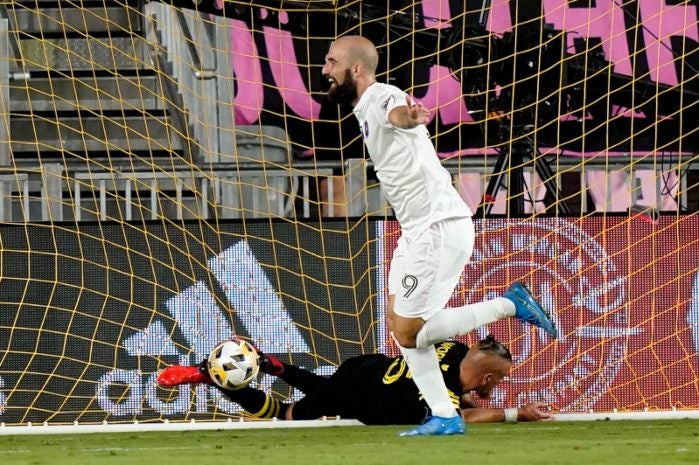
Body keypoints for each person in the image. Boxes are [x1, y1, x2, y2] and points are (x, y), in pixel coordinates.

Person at [319, 34, 558, 436]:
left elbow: (397, 113)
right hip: (416, 231)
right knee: (403, 332)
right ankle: (445, 416)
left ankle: (508, 305)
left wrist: (410, 117)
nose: (324, 69)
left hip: (438, 228)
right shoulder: (364, 106)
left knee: (410, 331)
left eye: (330, 61)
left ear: (355, 68)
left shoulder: (381, 95)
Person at [157, 335, 552, 425]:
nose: (492, 390)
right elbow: (459, 415)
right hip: (362, 397)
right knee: (287, 413)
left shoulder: (451, 346)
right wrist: (516, 413)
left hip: (367, 367)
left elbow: (457, 394)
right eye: (495, 382)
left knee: (300, 405)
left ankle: (240, 375)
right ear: (486, 376)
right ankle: (261, 370)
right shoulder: (447, 393)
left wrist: (471, 400)